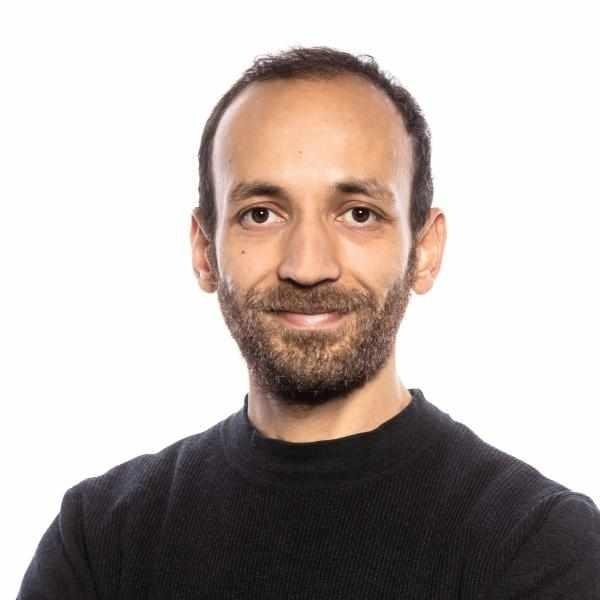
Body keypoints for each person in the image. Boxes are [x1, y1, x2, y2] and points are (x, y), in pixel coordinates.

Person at [17, 45, 600, 599]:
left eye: (358, 214)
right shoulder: (100, 539)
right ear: (204, 252)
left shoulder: (539, 545)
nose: (307, 266)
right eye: (261, 214)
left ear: (425, 251)